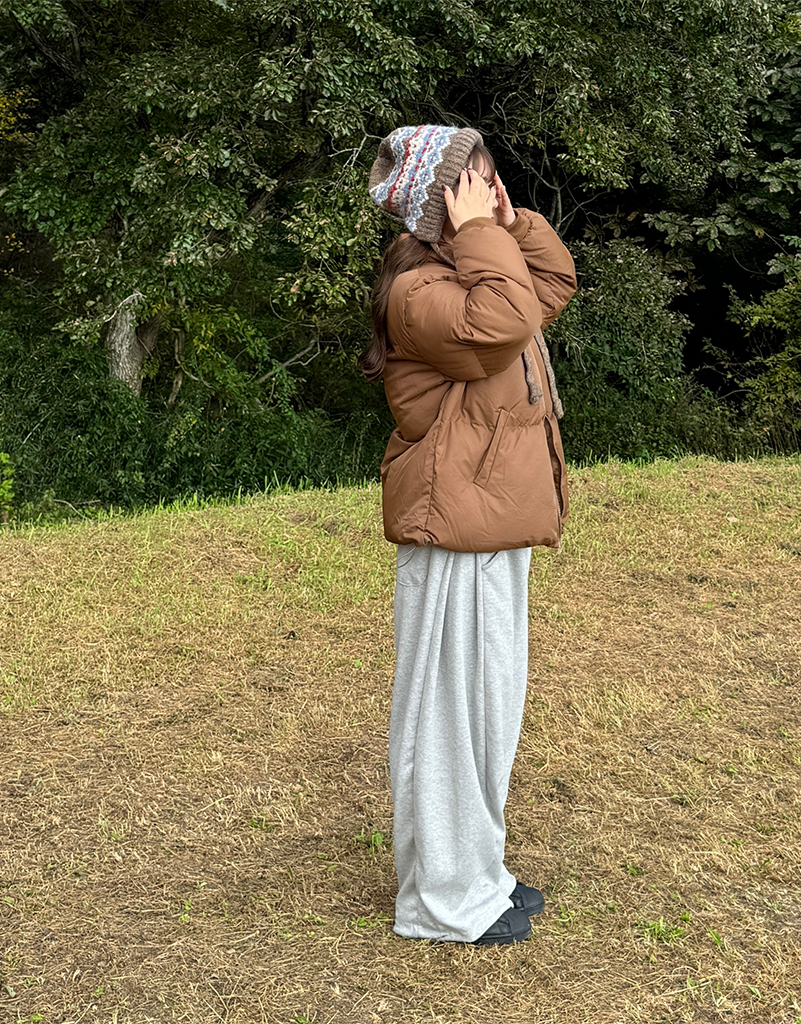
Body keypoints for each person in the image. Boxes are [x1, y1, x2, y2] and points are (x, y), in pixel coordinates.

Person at [362, 125, 576, 945]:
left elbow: (550, 283)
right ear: (440, 205)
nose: (491, 191)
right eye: (476, 182)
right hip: (455, 526)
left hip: (488, 517)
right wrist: (487, 235)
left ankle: (477, 872)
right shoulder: (419, 293)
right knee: (449, 719)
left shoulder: (479, 267)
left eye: (492, 180)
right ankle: (445, 902)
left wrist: (508, 223)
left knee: (485, 712)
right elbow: (504, 321)